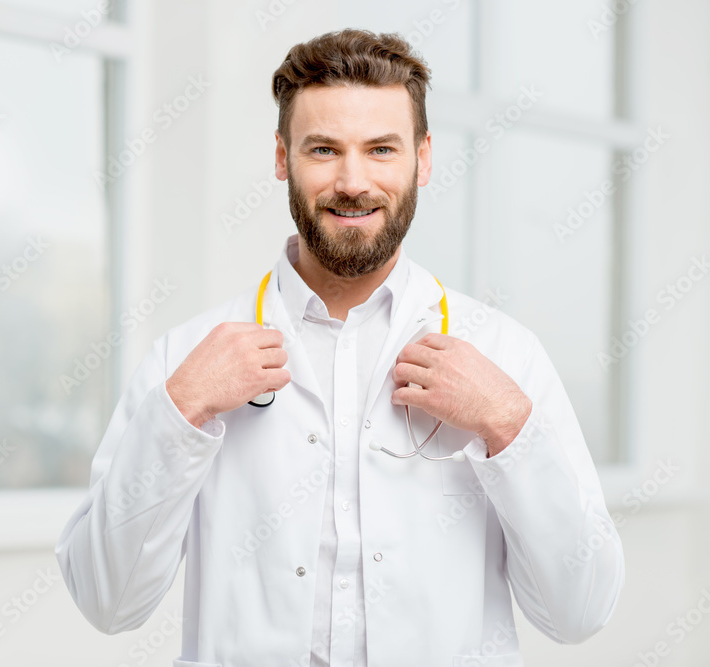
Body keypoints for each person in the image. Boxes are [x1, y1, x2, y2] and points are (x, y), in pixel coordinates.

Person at [56, 28, 624, 667]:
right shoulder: (185, 360)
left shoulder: (504, 356)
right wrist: (180, 411)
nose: (353, 182)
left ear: (424, 158)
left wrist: (509, 426)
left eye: (381, 148)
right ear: (282, 157)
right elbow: (108, 603)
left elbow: (580, 612)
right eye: (323, 149)